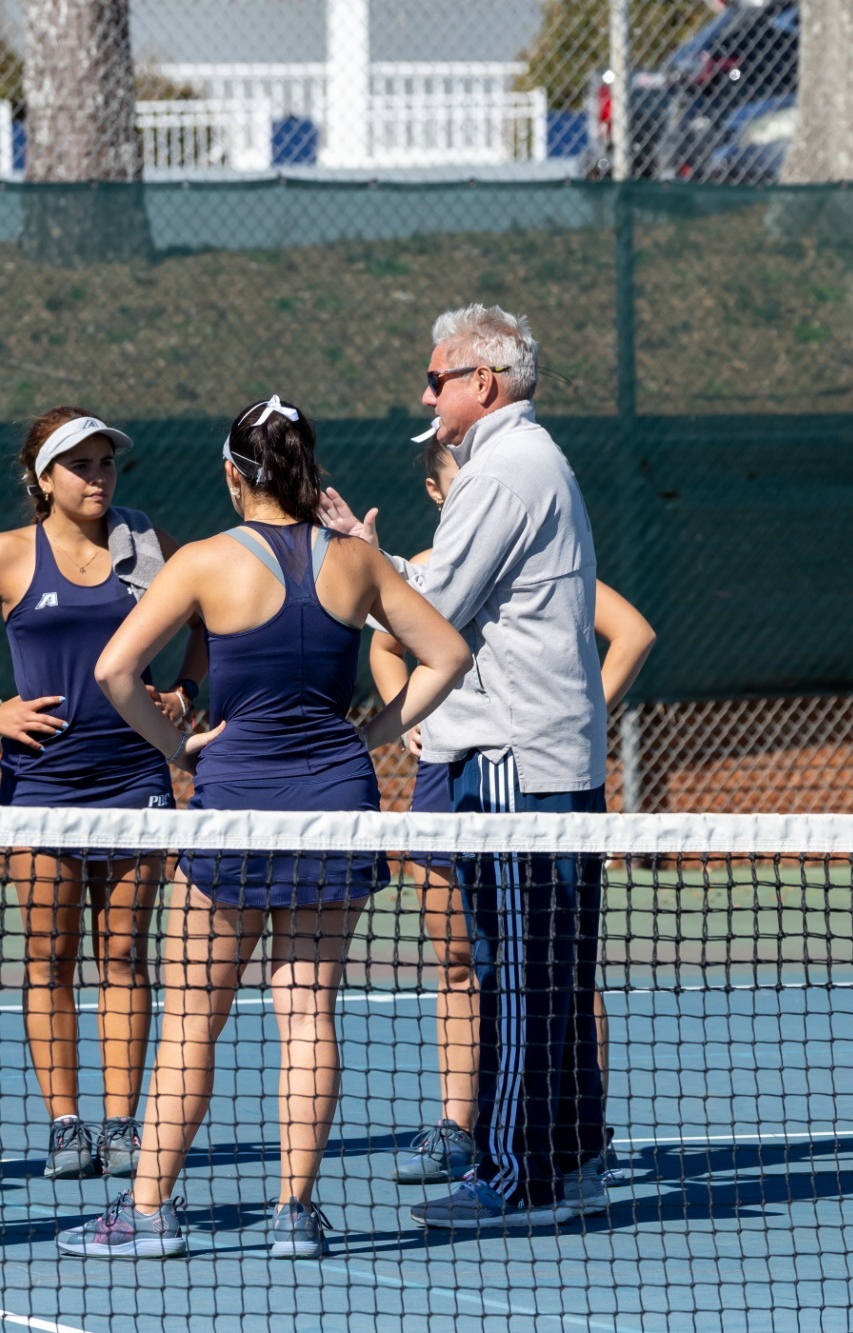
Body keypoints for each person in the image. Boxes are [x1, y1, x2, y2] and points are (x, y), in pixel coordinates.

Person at [55, 395, 469, 1261]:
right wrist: (377, 733)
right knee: (308, 1012)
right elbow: (450, 654)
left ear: (233, 473)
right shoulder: (356, 561)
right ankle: (296, 1212)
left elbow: (113, 668)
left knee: (192, 1018)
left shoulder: (206, 561)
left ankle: (148, 1212)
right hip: (336, 804)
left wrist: (179, 745)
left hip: (234, 805)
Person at [320, 303, 613, 1231]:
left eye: (438, 375)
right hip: (532, 755)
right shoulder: (519, 466)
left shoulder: (507, 469)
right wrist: (378, 562)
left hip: (516, 762)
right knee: (544, 966)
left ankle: (523, 1175)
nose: (426, 390)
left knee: (522, 969)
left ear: (482, 383)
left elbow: (432, 609)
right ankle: (571, 1157)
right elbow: (442, 593)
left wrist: (361, 566)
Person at [0, 406, 207, 1182]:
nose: (99, 478)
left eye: (107, 463)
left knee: (124, 955)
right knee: (49, 957)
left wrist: (184, 687)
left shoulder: (146, 546)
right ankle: (66, 1124)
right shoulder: (6, 556)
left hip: (136, 775)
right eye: (82, 465)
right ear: (44, 479)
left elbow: (206, 613)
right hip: (41, 781)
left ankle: (120, 1124)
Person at [370, 437, 656, 1191]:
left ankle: (571, 1131)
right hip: (449, 776)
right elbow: (389, 648)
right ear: (441, 494)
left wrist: (581, 712)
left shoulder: (535, 556)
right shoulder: (416, 570)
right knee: (463, 961)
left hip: (524, 771)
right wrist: (409, 718)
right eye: (459, 475)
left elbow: (633, 633)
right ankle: (459, 1122)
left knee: (555, 961)